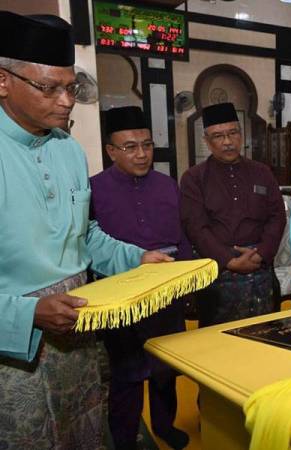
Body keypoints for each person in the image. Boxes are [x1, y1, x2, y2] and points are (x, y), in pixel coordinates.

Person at [0, 12, 170, 450]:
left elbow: (86, 235)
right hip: (15, 355)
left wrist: (136, 257)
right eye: (49, 87)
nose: (66, 101)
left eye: (71, 87)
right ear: (3, 81)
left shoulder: (71, 151)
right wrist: (28, 313)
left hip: (80, 332)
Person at [90, 106, 189, 450]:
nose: (142, 154)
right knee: (127, 378)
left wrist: (187, 282)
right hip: (123, 299)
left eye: (147, 145)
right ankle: (125, 438)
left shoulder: (167, 185)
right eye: (130, 147)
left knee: (165, 371)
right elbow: (90, 246)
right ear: (111, 151)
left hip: (167, 295)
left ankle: (166, 426)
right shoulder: (93, 190)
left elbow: (183, 238)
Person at [180, 102, 286, 325]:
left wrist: (261, 253)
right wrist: (229, 260)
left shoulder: (262, 172)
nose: (227, 142)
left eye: (233, 133)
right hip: (218, 274)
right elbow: (196, 228)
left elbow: (277, 216)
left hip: (261, 269)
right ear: (207, 141)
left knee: (267, 338)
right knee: (219, 348)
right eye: (218, 136)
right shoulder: (194, 178)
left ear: (241, 134)